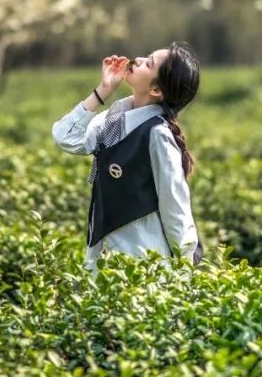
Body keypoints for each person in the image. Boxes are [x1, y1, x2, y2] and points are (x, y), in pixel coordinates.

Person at [51, 41, 203, 276]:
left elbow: (175, 209)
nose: (139, 59)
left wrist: (184, 273)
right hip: (102, 260)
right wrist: (103, 90)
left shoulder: (157, 134)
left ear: (156, 90)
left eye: (149, 64)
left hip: (143, 266)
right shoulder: (115, 118)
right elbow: (66, 137)